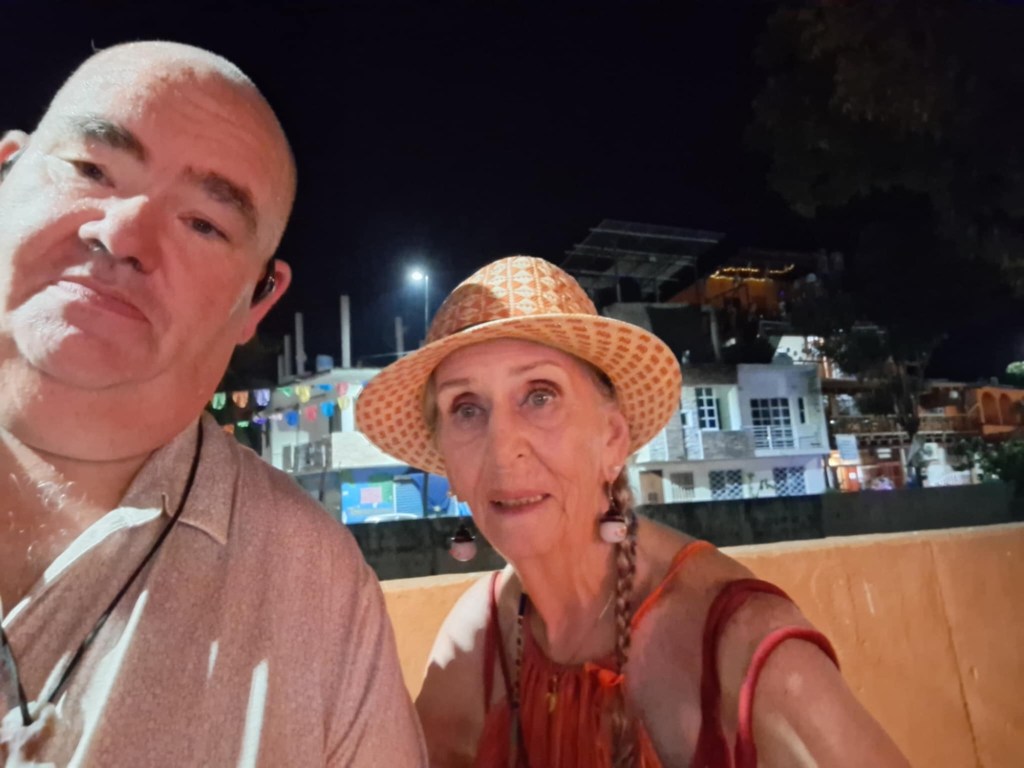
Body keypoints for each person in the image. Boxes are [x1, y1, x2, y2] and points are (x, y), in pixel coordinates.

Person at [0, 41, 426, 766]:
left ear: (259, 300)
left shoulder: (311, 588)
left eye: (203, 223)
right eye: (91, 169)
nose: (122, 235)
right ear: (7, 172)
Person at [357, 256, 909, 767]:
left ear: (612, 439)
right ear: (448, 467)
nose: (503, 449)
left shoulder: (742, 651)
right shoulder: (479, 641)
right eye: (466, 408)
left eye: (540, 395)